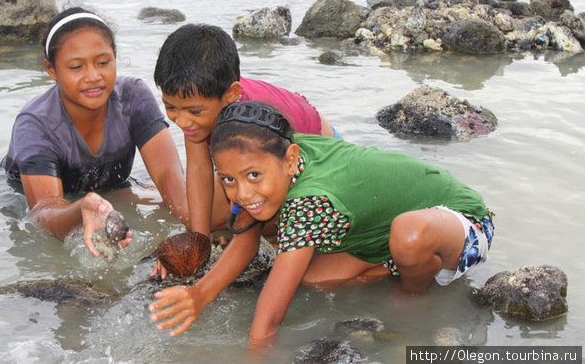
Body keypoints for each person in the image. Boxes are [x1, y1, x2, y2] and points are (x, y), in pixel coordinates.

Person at [149, 101, 495, 351]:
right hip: (377, 229)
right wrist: (200, 294)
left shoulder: (309, 200)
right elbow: (246, 238)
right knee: (312, 278)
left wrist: (254, 353)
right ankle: (386, 263)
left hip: (460, 222)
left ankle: (413, 295)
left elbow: (270, 317)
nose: (241, 191)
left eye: (253, 175)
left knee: (410, 236)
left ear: (291, 159)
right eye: (227, 179)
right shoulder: (275, 149)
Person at [1, 7, 188, 256]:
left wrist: (196, 229)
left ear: (115, 57)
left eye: (103, 62)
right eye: (76, 67)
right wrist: (81, 210)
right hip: (26, 198)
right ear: (51, 69)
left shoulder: (133, 97)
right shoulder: (35, 124)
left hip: (105, 192)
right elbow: (42, 212)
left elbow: (168, 176)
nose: (93, 76)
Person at [153, 23, 337, 240]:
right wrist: (199, 240)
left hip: (318, 158)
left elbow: (267, 182)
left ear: (231, 94)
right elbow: (197, 166)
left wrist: (242, 234)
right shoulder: (197, 107)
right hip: (261, 165)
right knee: (192, 215)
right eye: (171, 107)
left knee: (265, 217)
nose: (182, 121)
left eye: (193, 111)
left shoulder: (248, 126)